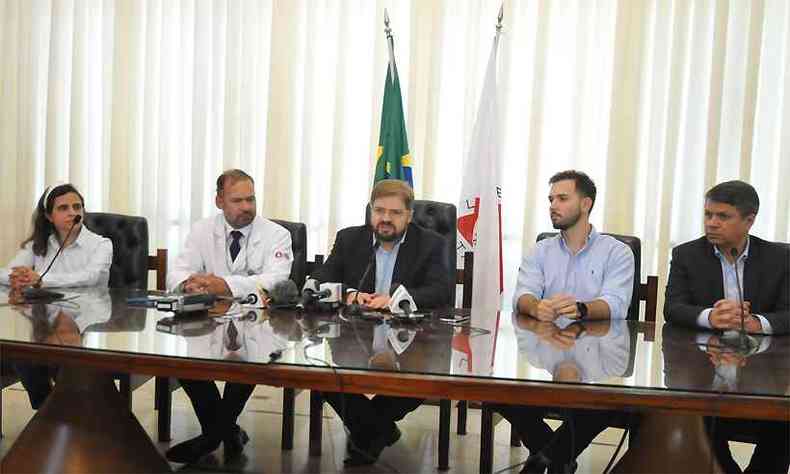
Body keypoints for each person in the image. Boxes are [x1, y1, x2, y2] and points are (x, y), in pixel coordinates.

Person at [494, 170, 634, 474]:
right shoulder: (541, 250)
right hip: (545, 352)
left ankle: (544, 458)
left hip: (598, 359)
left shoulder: (617, 252)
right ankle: (558, 457)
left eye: (562, 198)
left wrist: (581, 308)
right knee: (498, 391)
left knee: (606, 402)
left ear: (585, 204)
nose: (553, 205)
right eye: (550, 199)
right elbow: (522, 295)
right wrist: (536, 306)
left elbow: (617, 305)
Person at [310, 179, 450, 465]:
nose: (385, 218)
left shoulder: (430, 244)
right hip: (353, 337)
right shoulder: (349, 239)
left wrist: (396, 298)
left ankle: (366, 435)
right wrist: (350, 294)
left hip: (411, 341)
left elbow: (442, 290)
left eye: (395, 212)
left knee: (423, 381)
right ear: (370, 211)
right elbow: (321, 279)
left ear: (409, 215)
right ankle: (378, 431)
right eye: (379, 210)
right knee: (321, 374)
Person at [165, 169, 293, 464]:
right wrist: (188, 283)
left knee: (251, 359)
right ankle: (227, 431)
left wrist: (224, 285)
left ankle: (210, 438)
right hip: (209, 323)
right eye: (238, 200)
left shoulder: (277, 235)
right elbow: (179, 269)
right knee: (184, 364)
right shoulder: (201, 230)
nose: (247, 206)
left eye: (251, 199)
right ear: (219, 201)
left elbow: (276, 280)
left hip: (258, 323)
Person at [665, 180, 789, 473]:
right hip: (703, 370)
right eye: (708, 215)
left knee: (784, 421)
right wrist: (710, 317)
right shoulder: (687, 255)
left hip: (764, 371)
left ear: (749, 220)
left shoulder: (780, 259)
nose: (712, 223)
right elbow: (673, 307)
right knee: (701, 414)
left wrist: (758, 322)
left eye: (723, 216)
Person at [0, 183, 113, 409]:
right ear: (49, 216)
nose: (73, 212)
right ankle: (48, 410)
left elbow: (89, 277)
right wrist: (17, 277)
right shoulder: (38, 245)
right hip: (44, 323)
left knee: (66, 357)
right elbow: (6, 272)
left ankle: (65, 413)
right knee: (21, 351)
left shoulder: (101, 244)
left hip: (85, 321)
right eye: (63, 208)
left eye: (77, 206)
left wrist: (39, 278)